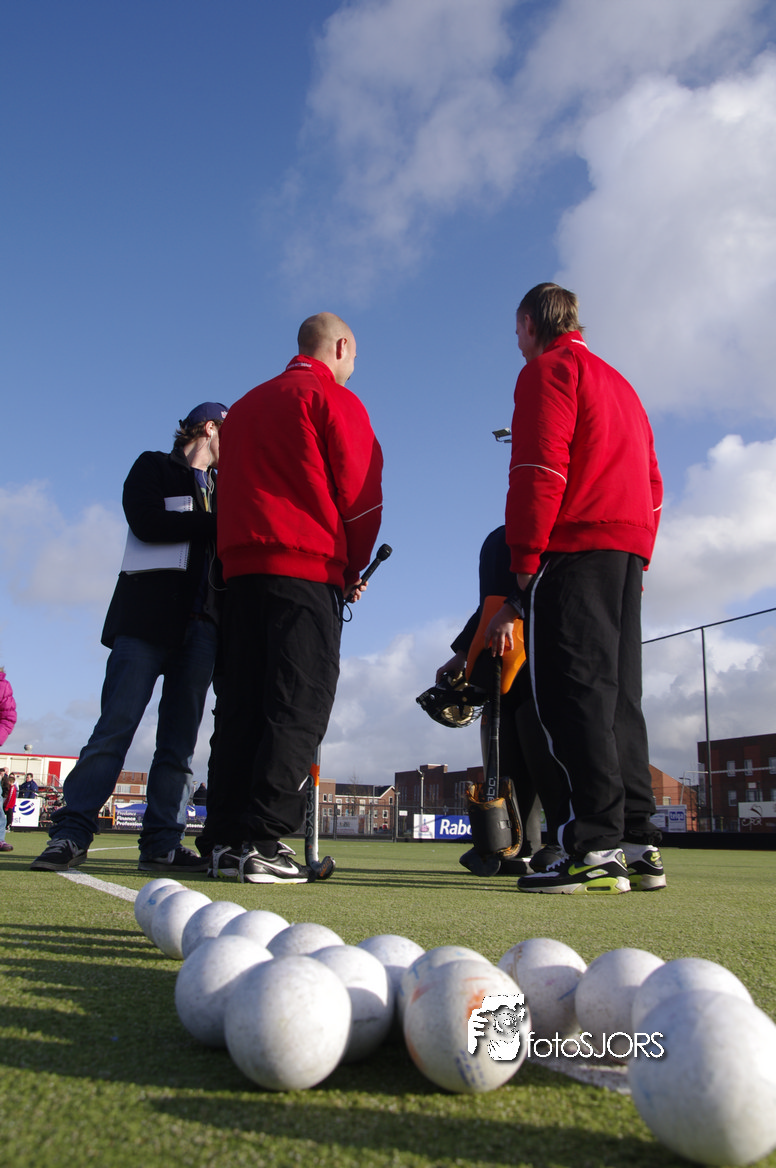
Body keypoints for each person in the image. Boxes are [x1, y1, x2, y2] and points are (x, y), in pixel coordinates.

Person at [486, 283, 664, 894]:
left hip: (574, 546)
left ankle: (593, 845)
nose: (517, 342)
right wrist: (641, 554)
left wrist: (525, 557)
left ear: (530, 323)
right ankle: (636, 841)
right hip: (625, 551)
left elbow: (538, 467)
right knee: (620, 701)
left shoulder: (547, 371)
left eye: (517, 331)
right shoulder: (622, 385)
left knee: (572, 696)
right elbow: (652, 481)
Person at [202, 312, 383, 883]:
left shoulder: (244, 407)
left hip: (240, 573)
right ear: (341, 346)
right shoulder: (332, 399)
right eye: (354, 356)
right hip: (304, 568)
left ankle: (225, 838)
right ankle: (263, 839)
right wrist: (351, 565)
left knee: (241, 706)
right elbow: (361, 494)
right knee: (297, 703)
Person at [31, 403, 227, 874]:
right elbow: (147, 523)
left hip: (203, 627)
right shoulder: (152, 466)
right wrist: (221, 523)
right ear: (209, 428)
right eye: (231, 434)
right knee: (114, 729)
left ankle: (162, 843)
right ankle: (71, 833)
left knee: (179, 746)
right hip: (144, 623)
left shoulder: (226, 490)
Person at [435, 526, 565, 876]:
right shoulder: (497, 540)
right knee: (505, 751)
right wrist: (463, 652)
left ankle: (563, 840)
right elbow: (488, 606)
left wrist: (515, 609)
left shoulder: (549, 533)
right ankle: (516, 843)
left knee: (543, 750)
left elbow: (547, 585)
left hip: (541, 650)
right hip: (499, 657)